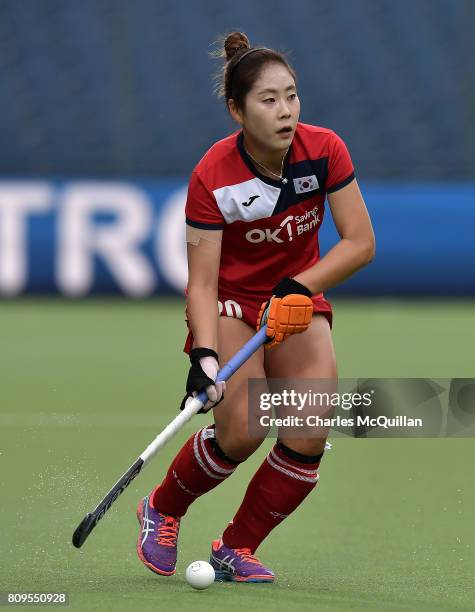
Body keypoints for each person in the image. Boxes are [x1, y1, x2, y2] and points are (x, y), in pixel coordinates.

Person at [136, 31, 375, 583]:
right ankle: (163, 508)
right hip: (231, 303)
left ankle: (236, 546)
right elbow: (200, 282)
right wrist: (202, 355)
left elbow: (360, 243)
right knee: (243, 430)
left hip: (295, 300)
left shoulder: (325, 150)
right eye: (269, 100)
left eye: (291, 96)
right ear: (237, 110)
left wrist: (298, 288)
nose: (285, 111)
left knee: (309, 429)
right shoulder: (213, 176)